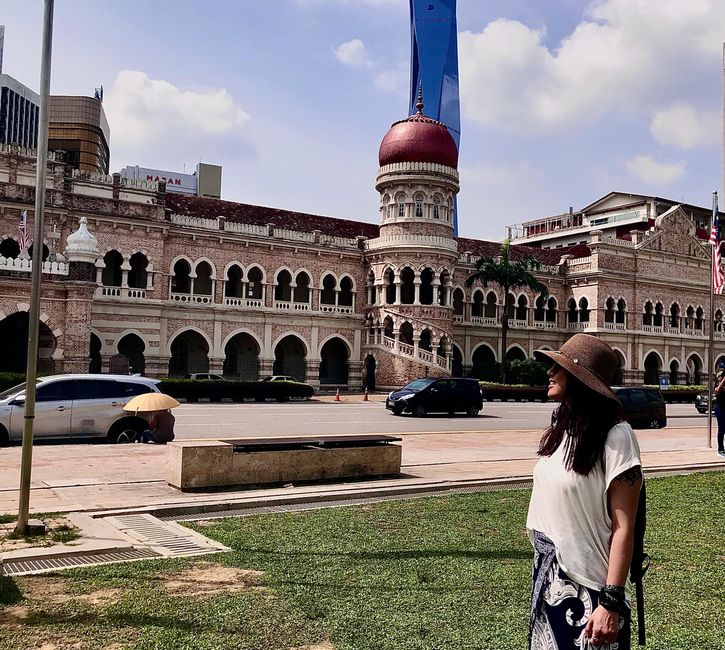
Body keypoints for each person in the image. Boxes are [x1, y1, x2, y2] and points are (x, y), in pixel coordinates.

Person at [527, 334, 642, 649]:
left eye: (558, 368)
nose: (550, 372)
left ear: (580, 379)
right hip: (550, 582)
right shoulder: (560, 432)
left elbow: (624, 527)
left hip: (593, 592)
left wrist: (611, 601)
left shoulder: (616, 437)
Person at [714, 369, 725, 457]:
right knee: (721, 429)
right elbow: (717, 391)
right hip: (720, 409)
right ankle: (720, 449)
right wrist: (723, 380)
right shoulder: (719, 384)